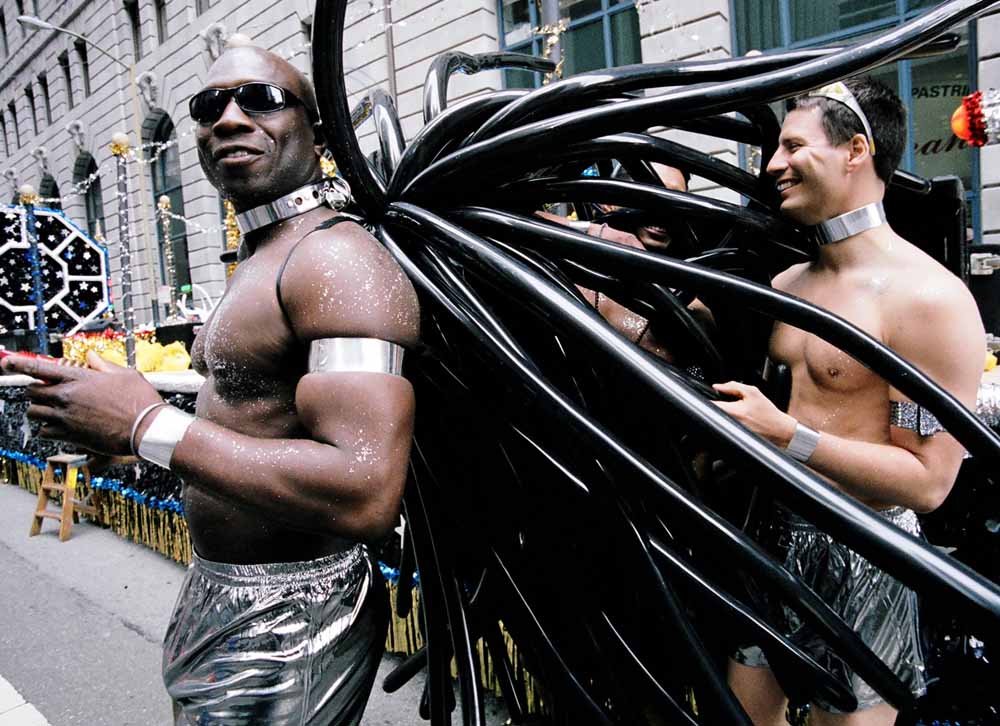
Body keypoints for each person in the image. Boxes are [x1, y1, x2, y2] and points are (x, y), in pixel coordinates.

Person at [1, 42, 420, 726]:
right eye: (208, 106)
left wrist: (147, 425)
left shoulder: (335, 259)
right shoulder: (263, 252)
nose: (227, 118)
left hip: (293, 617)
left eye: (259, 99)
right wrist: (110, 430)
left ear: (317, 131)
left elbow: (366, 487)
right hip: (220, 593)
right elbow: (250, 420)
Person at [715, 77, 985, 725]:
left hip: (867, 551)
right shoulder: (785, 284)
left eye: (792, 145)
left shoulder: (928, 300)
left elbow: (927, 483)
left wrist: (786, 438)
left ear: (856, 150)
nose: (773, 164)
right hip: (771, 542)